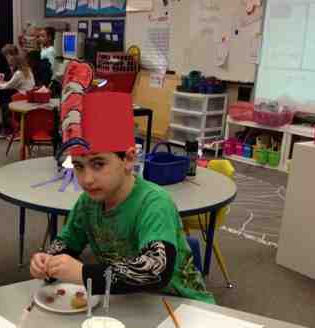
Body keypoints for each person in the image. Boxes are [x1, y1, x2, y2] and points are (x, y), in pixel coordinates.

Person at [30, 61, 214, 303]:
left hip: (181, 305)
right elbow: (66, 244)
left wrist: (83, 273)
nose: (86, 179)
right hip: (130, 304)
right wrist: (48, 261)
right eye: (78, 166)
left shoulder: (153, 203)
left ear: (128, 159)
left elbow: (156, 270)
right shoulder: (88, 203)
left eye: (98, 164)